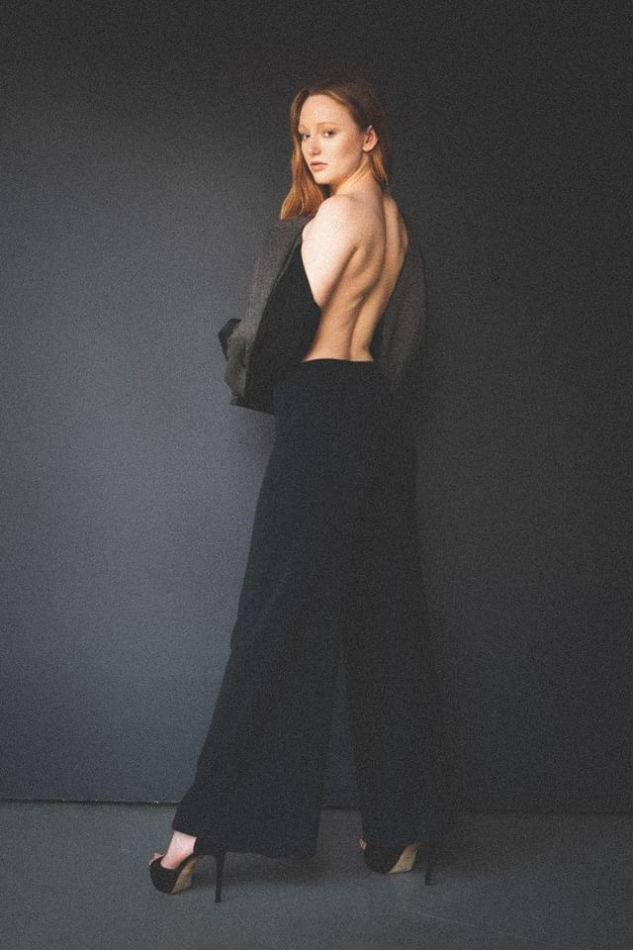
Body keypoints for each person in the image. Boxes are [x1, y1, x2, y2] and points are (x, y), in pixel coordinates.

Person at [148, 74, 453, 903]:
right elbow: (395, 335)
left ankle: (200, 830)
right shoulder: (394, 221)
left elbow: (277, 342)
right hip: (377, 414)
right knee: (386, 619)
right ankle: (401, 826)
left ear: (369, 136)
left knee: (275, 619)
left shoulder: (337, 216)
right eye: (304, 134)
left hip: (323, 412)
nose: (313, 147)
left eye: (329, 130)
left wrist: (234, 341)